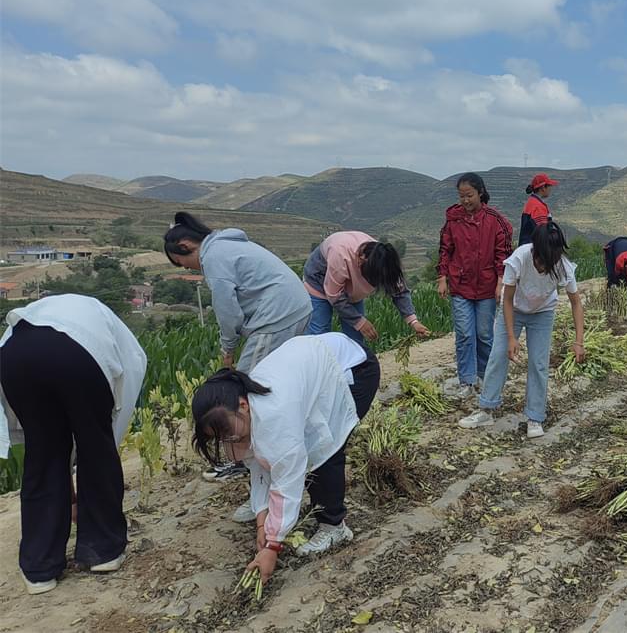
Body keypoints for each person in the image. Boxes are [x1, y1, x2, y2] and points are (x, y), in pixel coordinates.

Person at [191, 333, 380, 589]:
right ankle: (321, 519)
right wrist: (262, 521)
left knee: (324, 450)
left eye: (228, 431)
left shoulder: (275, 418)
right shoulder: (244, 412)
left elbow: (286, 481)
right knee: (296, 448)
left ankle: (334, 526)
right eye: (220, 437)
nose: (228, 439)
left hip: (352, 368)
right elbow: (258, 469)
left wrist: (272, 545)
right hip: (317, 364)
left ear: (243, 405)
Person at [0, 294, 147, 595]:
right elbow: (128, 377)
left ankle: (39, 569)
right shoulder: (109, 326)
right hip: (78, 354)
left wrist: (70, 494)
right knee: (96, 447)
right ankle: (101, 551)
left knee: (42, 454)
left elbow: (37, 439)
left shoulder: (31, 317)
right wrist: (106, 443)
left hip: (13, 358)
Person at [459, 222, 585, 439]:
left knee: (538, 363)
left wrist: (579, 341)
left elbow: (576, 303)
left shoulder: (562, 266)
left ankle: (535, 417)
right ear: (535, 251)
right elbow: (506, 300)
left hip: (543, 313)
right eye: (542, 260)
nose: (544, 266)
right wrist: (510, 337)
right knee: (498, 356)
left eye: (550, 261)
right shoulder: (519, 258)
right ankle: (486, 409)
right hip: (514, 310)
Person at [163, 212, 312, 373]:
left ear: (185, 245)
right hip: (299, 308)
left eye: (181, 263)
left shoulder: (213, 257)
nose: (187, 268)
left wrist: (228, 350)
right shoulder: (226, 244)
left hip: (277, 317)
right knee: (282, 376)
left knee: (247, 382)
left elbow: (228, 313)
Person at [437, 173, 513, 396]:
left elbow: (503, 254)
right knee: (464, 334)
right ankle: (466, 381)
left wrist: (501, 282)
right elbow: (445, 249)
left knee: (484, 334)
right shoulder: (453, 220)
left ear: (480, 193)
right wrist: (442, 277)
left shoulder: (496, 221)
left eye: (469, 195)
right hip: (460, 285)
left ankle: (486, 376)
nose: (465, 201)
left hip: (487, 286)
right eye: (461, 196)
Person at [304, 232, 430, 345]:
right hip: (318, 283)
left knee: (355, 339)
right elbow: (335, 296)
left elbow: (399, 292)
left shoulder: (385, 261)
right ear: (361, 260)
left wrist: (414, 322)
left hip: (352, 291)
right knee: (319, 334)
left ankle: (354, 370)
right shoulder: (341, 254)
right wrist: (360, 322)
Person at [518, 173, 558, 245]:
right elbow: (543, 234)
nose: (550, 188)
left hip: (527, 248)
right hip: (535, 250)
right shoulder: (538, 206)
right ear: (543, 188)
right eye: (549, 186)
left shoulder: (531, 202)